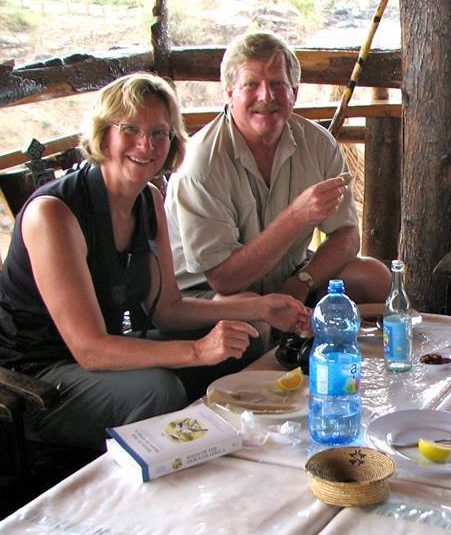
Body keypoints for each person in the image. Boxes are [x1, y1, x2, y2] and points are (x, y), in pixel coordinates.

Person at [0, 74, 311, 449]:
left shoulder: (147, 199)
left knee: (245, 336)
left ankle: (217, 450)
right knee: (157, 390)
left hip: (112, 348)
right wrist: (198, 351)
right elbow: (90, 348)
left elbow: (167, 309)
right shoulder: (54, 214)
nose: (146, 145)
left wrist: (261, 307)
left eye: (160, 133)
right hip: (39, 380)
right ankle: (154, 467)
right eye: (130, 129)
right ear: (103, 134)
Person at [165, 31, 390, 307]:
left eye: (277, 84)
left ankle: (317, 343)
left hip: (287, 277)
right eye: (251, 85)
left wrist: (302, 281)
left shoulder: (317, 143)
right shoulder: (201, 162)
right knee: (253, 316)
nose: (266, 96)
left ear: (294, 93)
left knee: (374, 277)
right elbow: (224, 278)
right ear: (229, 94)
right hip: (204, 296)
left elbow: (346, 235)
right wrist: (297, 216)